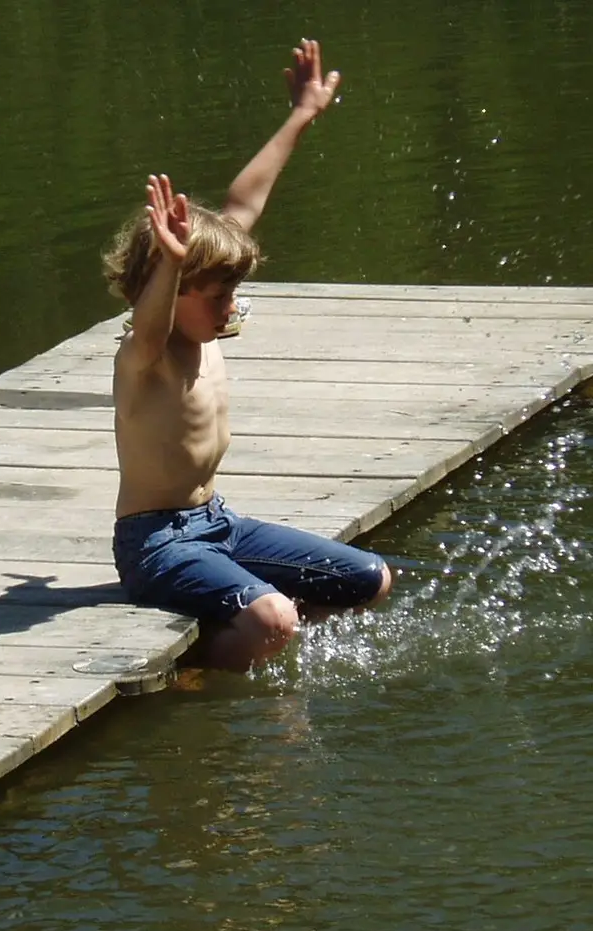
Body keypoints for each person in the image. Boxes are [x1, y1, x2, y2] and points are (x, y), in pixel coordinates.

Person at [103, 39, 392, 673]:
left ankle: (253, 629)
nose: (230, 307)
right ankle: (201, 672)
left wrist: (301, 115)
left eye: (233, 293)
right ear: (170, 292)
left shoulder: (203, 331)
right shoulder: (144, 355)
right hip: (154, 546)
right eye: (215, 295)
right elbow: (153, 324)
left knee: (369, 580)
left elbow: (242, 205)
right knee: (274, 616)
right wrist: (171, 269)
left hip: (218, 523)